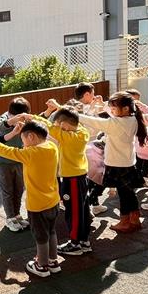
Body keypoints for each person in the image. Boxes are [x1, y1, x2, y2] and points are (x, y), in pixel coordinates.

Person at [0, 119, 61, 277]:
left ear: (31, 137)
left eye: (23, 140)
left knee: (41, 236)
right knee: (51, 231)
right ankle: (53, 261)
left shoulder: (31, 154)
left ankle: (42, 266)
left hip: (37, 205)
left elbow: (9, 152)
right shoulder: (51, 147)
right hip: (53, 200)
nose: (22, 144)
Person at [78, 92, 148, 233]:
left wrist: (75, 115)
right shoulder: (132, 119)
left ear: (126, 108)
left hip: (117, 165)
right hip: (128, 163)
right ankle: (134, 220)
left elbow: (94, 121)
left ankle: (125, 222)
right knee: (129, 194)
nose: (112, 111)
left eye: (114, 108)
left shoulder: (115, 123)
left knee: (124, 195)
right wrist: (104, 104)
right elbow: (113, 115)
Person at [41, 105, 93, 255]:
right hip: (80, 177)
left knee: (73, 212)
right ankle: (84, 240)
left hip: (72, 180)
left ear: (64, 125)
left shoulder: (68, 137)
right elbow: (71, 120)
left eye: (59, 125)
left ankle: (75, 243)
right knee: (82, 210)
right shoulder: (82, 132)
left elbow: (49, 127)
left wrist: (30, 117)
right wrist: (61, 109)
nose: (58, 127)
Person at [0, 97, 32, 231]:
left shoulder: (26, 119)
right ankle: (10, 218)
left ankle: (16, 215)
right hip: (4, 162)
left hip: (20, 160)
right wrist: (12, 120)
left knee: (19, 189)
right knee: (8, 191)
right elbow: (0, 127)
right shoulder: (2, 118)